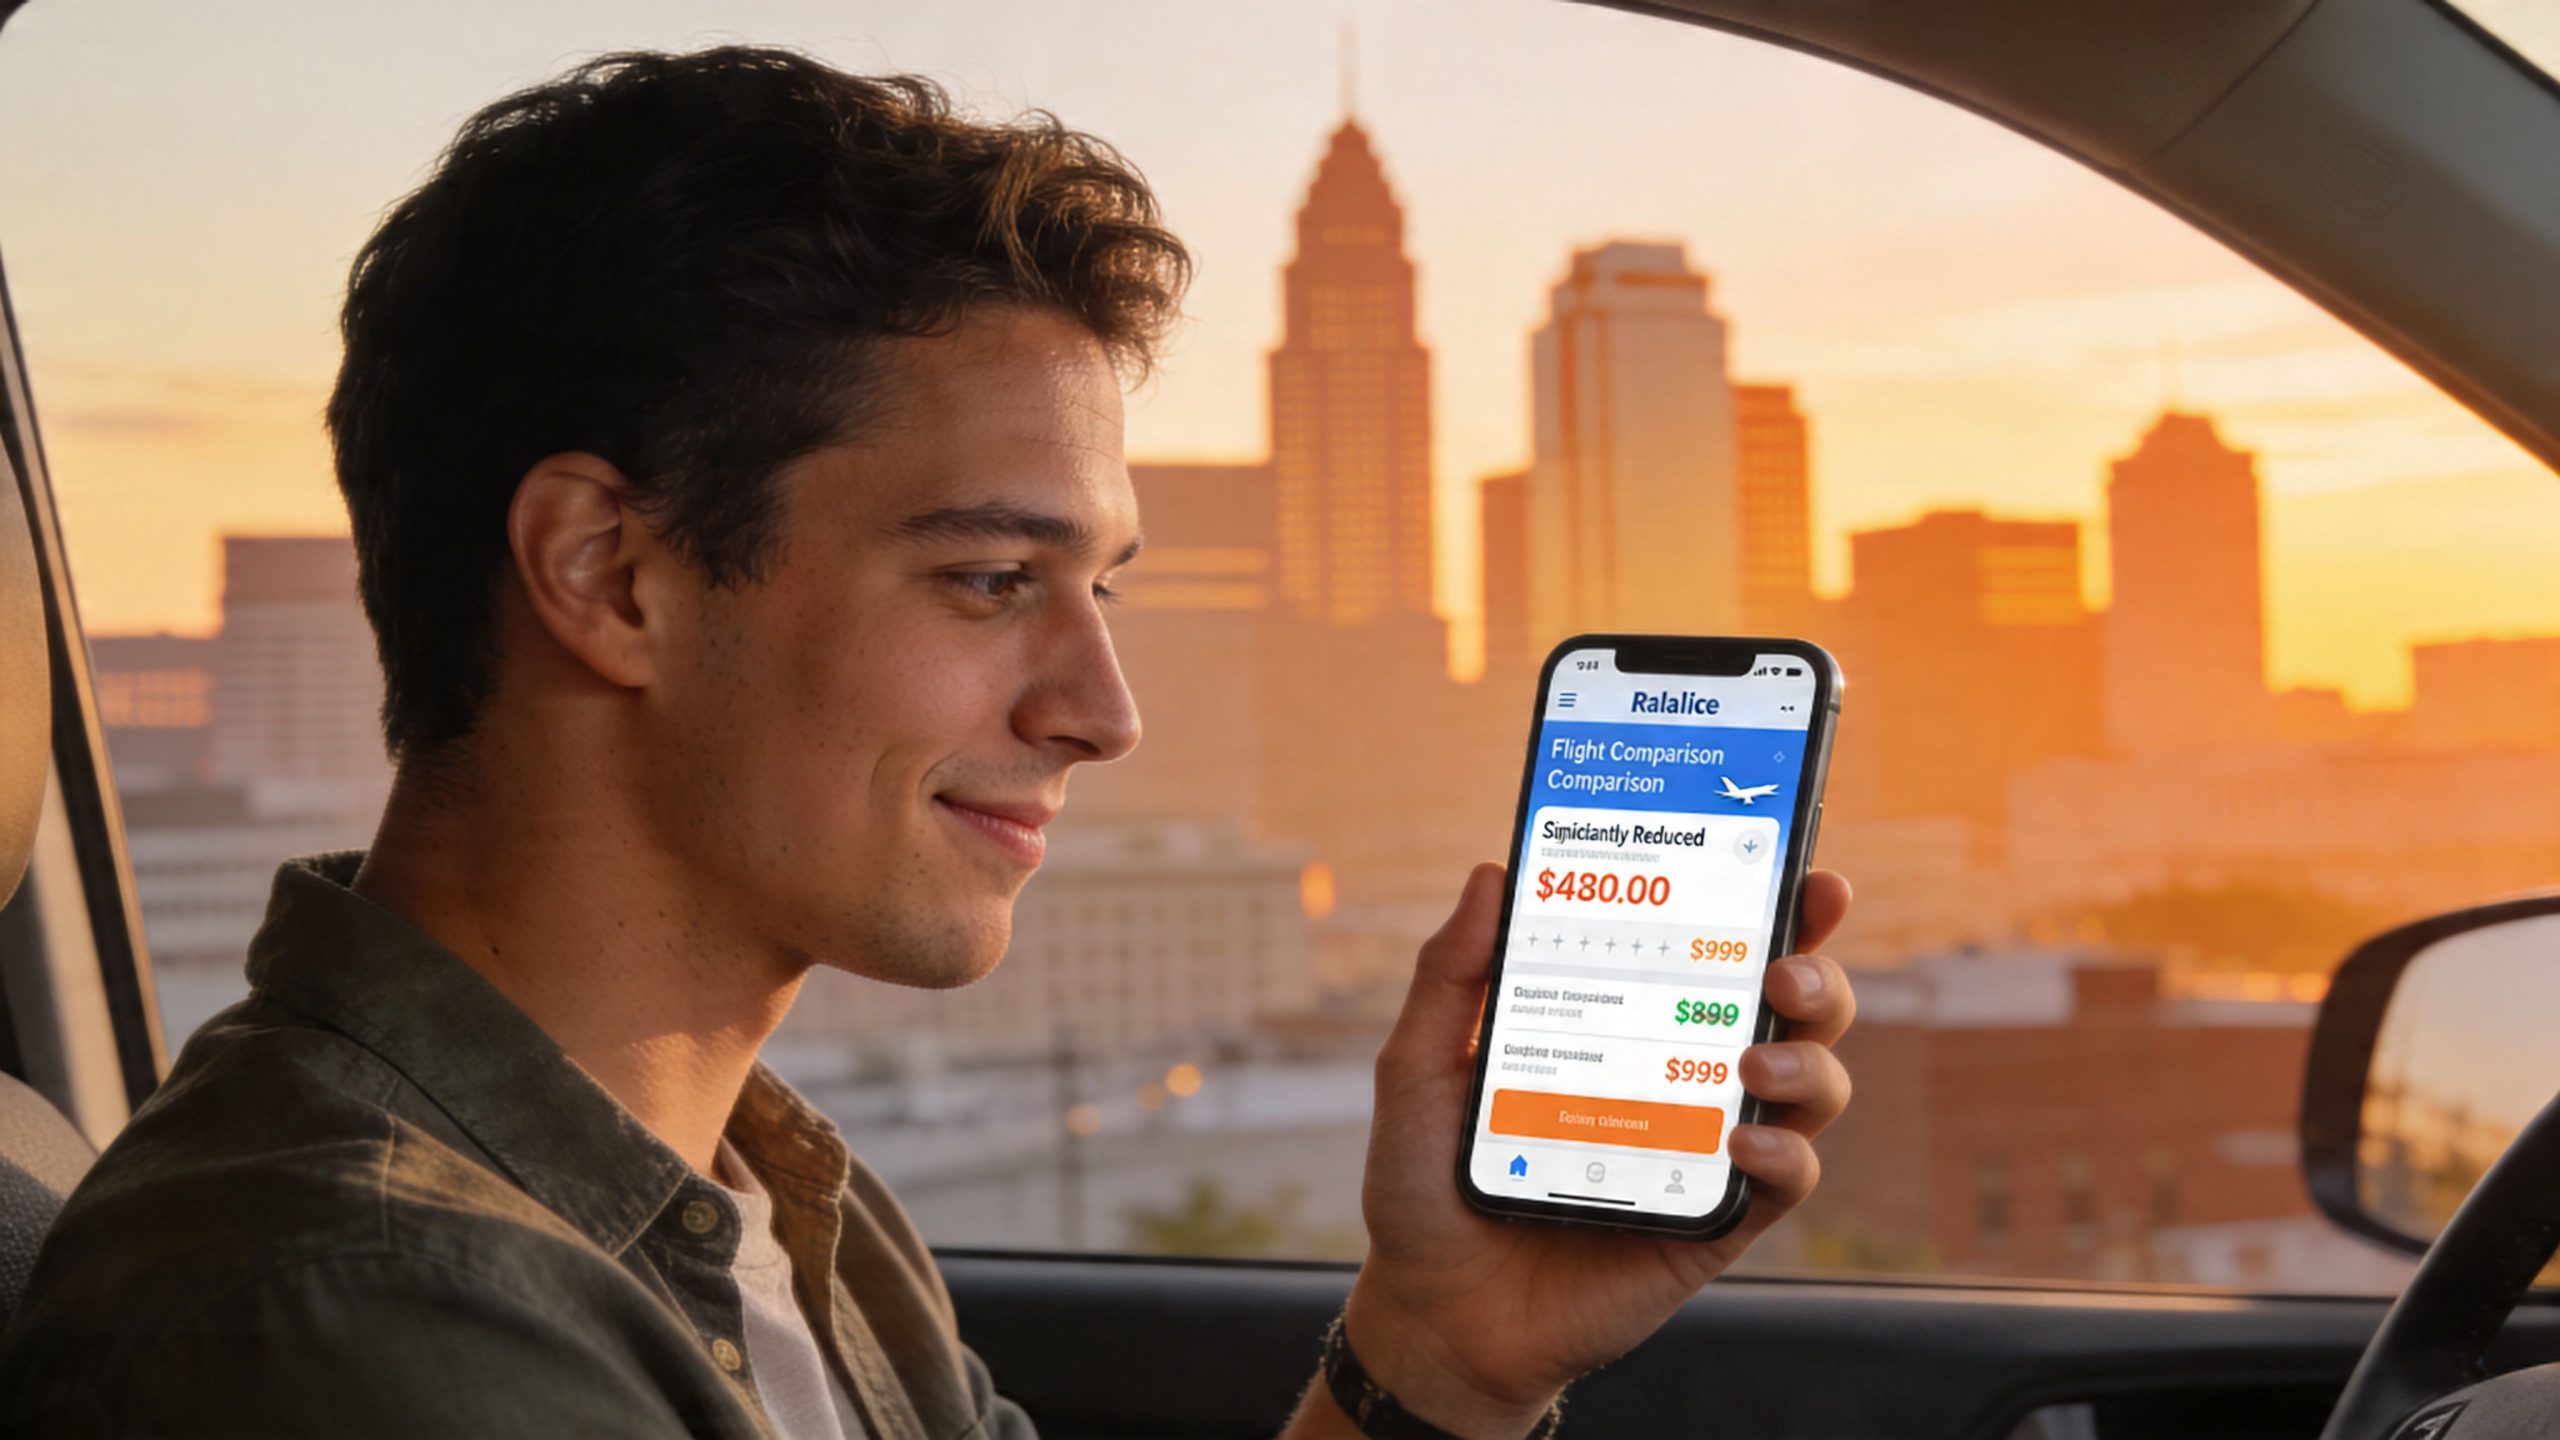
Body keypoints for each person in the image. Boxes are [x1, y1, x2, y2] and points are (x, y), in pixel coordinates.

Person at [0, 47, 1856, 1439]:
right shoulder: (371, 1323)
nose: (1101, 712)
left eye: (1104, 590)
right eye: (988, 579)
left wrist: (1436, 1355)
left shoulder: (759, 1198)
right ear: (609, 573)